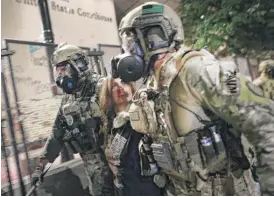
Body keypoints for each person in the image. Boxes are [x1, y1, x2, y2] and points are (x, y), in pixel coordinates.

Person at [110, 1, 274, 195]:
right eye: (126, 42)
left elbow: (264, 120)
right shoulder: (149, 89)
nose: (127, 50)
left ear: (156, 36)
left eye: (132, 39)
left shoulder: (197, 70)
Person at [31, 43, 114, 196]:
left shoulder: (102, 87)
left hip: (117, 168)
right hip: (95, 174)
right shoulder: (69, 98)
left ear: (78, 65)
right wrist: (40, 167)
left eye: (63, 69)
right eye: (58, 71)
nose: (61, 76)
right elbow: (57, 134)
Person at [99, 77, 163, 196]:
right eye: (114, 86)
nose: (120, 88)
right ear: (108, 93)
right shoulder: (109, 123)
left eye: (124, 82)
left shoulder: (144, 117)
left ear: (131, 86)